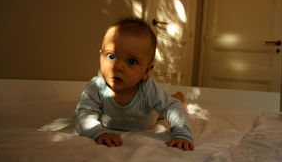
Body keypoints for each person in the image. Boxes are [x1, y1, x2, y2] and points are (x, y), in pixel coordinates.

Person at [74, 18, 194, 151]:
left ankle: (178, 97)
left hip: (148, 116)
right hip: (142, 114)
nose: (118, 67)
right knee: (159, 105)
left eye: (131, 61)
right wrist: (98, 132)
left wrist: (182, 133)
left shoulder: (147, 87)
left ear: (146, 71)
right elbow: (83, 114)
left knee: (163, 109)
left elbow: (170, 107)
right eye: (111, 56)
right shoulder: (96, 86)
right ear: (100, 56)